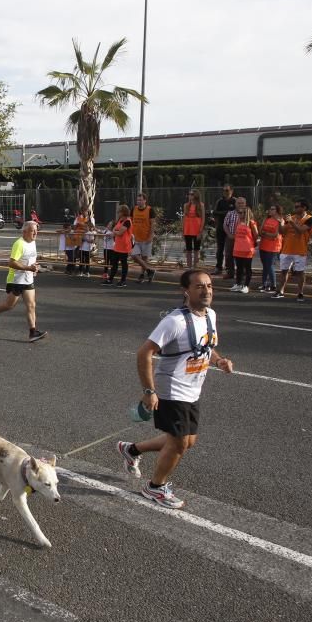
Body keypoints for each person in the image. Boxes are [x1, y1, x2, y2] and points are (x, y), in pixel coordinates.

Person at [116, 269, 234, 509]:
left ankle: (131, 449)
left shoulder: (210, 315)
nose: (206, 290)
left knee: (187, 441)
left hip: (193, 390)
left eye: (209, 286)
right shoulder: (175, 321)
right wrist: (149, 391)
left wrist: (219, 361)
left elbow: (206, 348)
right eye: (199, 286)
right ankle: (155, 487)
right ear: (186, 291)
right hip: (171, 390)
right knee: (178, 443)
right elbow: (144, 352)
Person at [0, 221, 47, 343]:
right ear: (25, 232)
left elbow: (31, 259)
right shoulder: (19, 244)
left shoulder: (33, 242)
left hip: (28, 278)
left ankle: (33, 332)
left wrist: (34, 267)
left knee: (31, 305)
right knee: (9, 305)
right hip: (16, 279)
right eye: (33, 231)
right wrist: (28, 268)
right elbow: (11, 262)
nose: (36, 233)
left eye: (37, 230)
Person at [272, 199, 312, 302]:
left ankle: (300, 293)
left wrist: (291, 221)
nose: (295, 208)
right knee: (283, 271)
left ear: (304, 208)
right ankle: (280, 291)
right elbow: (282, 231)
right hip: (287, 249)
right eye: (295, 206)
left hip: (300, 250)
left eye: (297, 207)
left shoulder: (310, 219)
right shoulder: (291, 217)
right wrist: (279, 223)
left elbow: (300, 231)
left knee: (300, 272)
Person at [229, 200, 258, 293]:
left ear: (246, 213)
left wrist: (251, 243)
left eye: (241, 213)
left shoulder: (251, 223)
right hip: (238, 248)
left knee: (247, 268)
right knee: (239, 268)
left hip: (247, 249)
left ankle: (246, 286)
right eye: (239, 213)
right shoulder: (238, 222)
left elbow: (256, 234)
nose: (239, 214)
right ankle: (238, 284)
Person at [103, 205, 133, 287]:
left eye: (119, 211)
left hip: (124, 246)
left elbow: (120, 232)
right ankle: (110, 279)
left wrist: (115, 231)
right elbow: (115, 230)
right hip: (117, 246)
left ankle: (123, 281)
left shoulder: (127, 221)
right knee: (114, 263)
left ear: (123, 212)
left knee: (124, 264)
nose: (117, 213)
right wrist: (116, 231)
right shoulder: (120, 220)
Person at [131, 192, 157, 283]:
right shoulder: (133, 209)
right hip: (136, 239)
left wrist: (151, 236)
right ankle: (150, 270)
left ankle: (142, 275)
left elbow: (153, 224)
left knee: (144, 258)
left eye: (141, 200)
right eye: (138, 200)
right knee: (134, 255)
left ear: (145, 201)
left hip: (146, 239)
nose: (139, 202)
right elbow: (131, 222)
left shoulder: (150, 210)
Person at [212, 185, 237, 277]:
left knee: (230, 250)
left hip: (232, 229)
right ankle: (218, 267)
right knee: (220, 249)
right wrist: (227, 212)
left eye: (227, 190)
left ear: (231, 191)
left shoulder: (235, 201)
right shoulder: (220, 201)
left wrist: (227, 213)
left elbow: (238, 211)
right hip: (221, 227)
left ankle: (230, 269)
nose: (225, 192)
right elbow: (215, 212)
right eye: (224, 190)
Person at [257, 205, 283, 293]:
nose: (270, 210)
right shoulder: (266, 219)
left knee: (269, 265)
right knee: (265, 266)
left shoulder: (280, 220)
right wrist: (267, 234)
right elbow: (260, 231)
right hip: (263, 245)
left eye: (272, 209)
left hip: (273, 247)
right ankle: (264, 284)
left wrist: (265, 234)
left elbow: (275, 235)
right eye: (270, 209)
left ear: (277, 210)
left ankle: (273, 285)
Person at [182, 190, 205, 269]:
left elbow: (203, 219)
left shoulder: (201, 205)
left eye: (191, 194)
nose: (189, 195)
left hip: (197, 231)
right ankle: (189, 267)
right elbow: (184, 218)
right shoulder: (186, 205)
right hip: (187, 230)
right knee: (188, 250)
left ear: (196, 195)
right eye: (189, 194)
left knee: (196, 250)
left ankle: (195, 267)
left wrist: (200, 231)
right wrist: (183, 230)